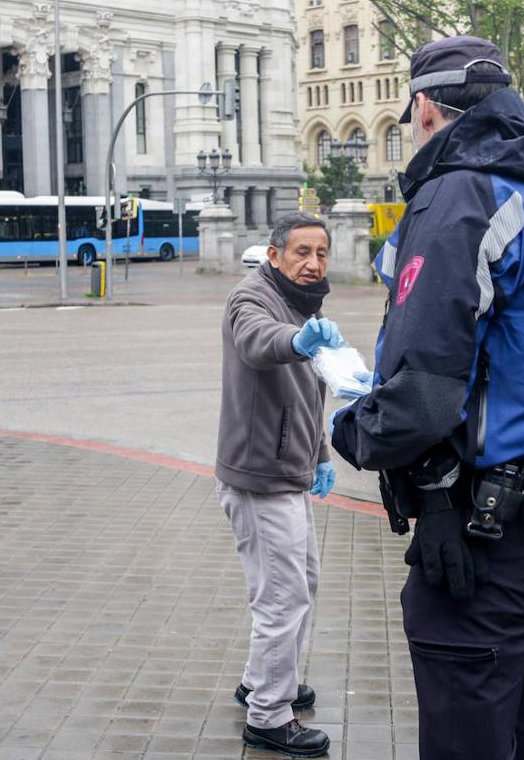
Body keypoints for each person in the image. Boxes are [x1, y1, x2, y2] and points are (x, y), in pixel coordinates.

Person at [330, 36, 524, 759]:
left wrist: (352, 429)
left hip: (475, 524)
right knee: (517, 731)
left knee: (467, 735)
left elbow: (422, 390)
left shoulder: (459, 192)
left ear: (424, 108)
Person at [216, 211, 343, 759]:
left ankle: (261, 684)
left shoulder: (301, 302)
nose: (313, 264)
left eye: (321, 253)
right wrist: (299, 339)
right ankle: (268, 716)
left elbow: (306, 394)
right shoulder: (253, 298)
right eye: (301, 253)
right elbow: (257, 342)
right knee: (282, 596)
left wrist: (319, 453)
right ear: (273, 256)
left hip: (287, 470)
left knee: (301, 583)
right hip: (261, 479)